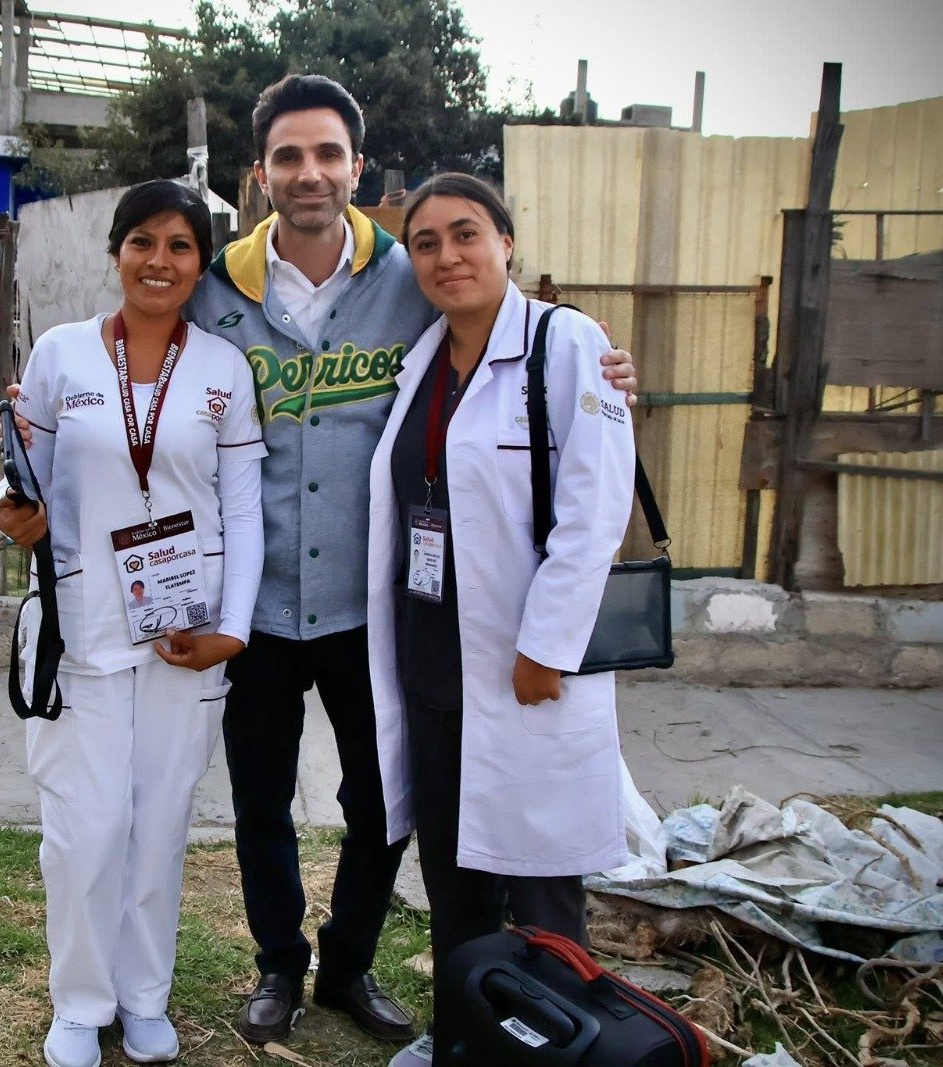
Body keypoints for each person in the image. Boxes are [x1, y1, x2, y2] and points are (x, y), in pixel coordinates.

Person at [0, 73, 640, 1048]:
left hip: (373, 599)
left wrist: (599, 361)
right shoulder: (216, 289)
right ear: (261, 172)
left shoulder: (411, 282)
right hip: (252, 604)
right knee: (260, 796)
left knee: (381, 802)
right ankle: (276, 967)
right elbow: (132, 372)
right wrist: (39, 416)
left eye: (327, 153)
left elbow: (502, 341)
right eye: (288, 156)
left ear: (356, 164)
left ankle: (347, 963)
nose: (309, 173)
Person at [0, 179, 266, 1067]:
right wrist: (7, 510)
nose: (159, 260)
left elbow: (245, 510)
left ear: (201, 262)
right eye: (142, 241)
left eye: (180, 245)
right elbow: (17, 479)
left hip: (186, 634)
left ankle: (144, 996)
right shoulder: (62, 356)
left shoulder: (223, 369)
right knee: (86, 824)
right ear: (116, 253)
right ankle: (79, 1002)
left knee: (160, 823)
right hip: (85, 624)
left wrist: (233, 628)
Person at [366, 173, 635, 1066]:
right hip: (434, 659)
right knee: (454, 874)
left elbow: (596, 511)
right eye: (427, 242)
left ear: (507, 243)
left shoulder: (568, 344)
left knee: (543, 881)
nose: (448, 256)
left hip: (527, 668)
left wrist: (546, 647)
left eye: (466, 233)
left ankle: (563, 1045)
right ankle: (465, 1037)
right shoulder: (421, 360)